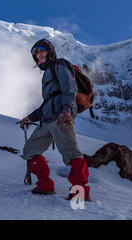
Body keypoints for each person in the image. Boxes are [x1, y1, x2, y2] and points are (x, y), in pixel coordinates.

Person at [20, 39, 91, 201]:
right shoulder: (48, 72)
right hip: (47, 120)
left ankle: (79, 193)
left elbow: (69, 88)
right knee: (30, 151)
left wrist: (66, 111)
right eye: (35, 53)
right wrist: (30, 117)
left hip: (61, 117)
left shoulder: (60, 64)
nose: (38, 55)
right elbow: (48, 102)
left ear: (50, 51)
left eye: (41, 51)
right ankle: (45, 186)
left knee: (72, 154)